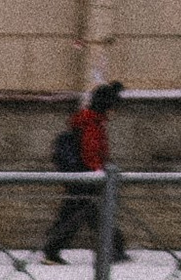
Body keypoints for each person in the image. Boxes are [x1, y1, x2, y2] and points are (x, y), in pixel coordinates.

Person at [43, 79, 123, 264]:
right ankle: (52, 250)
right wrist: (98, 173)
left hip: (84, 177)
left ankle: (115, 247)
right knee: (85, 215)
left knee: (82, 214)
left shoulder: (91, 121)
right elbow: (90, 152)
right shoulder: (91, 124)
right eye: (113, 107)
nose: (115, 112)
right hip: (86, 178)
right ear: (106, 106)